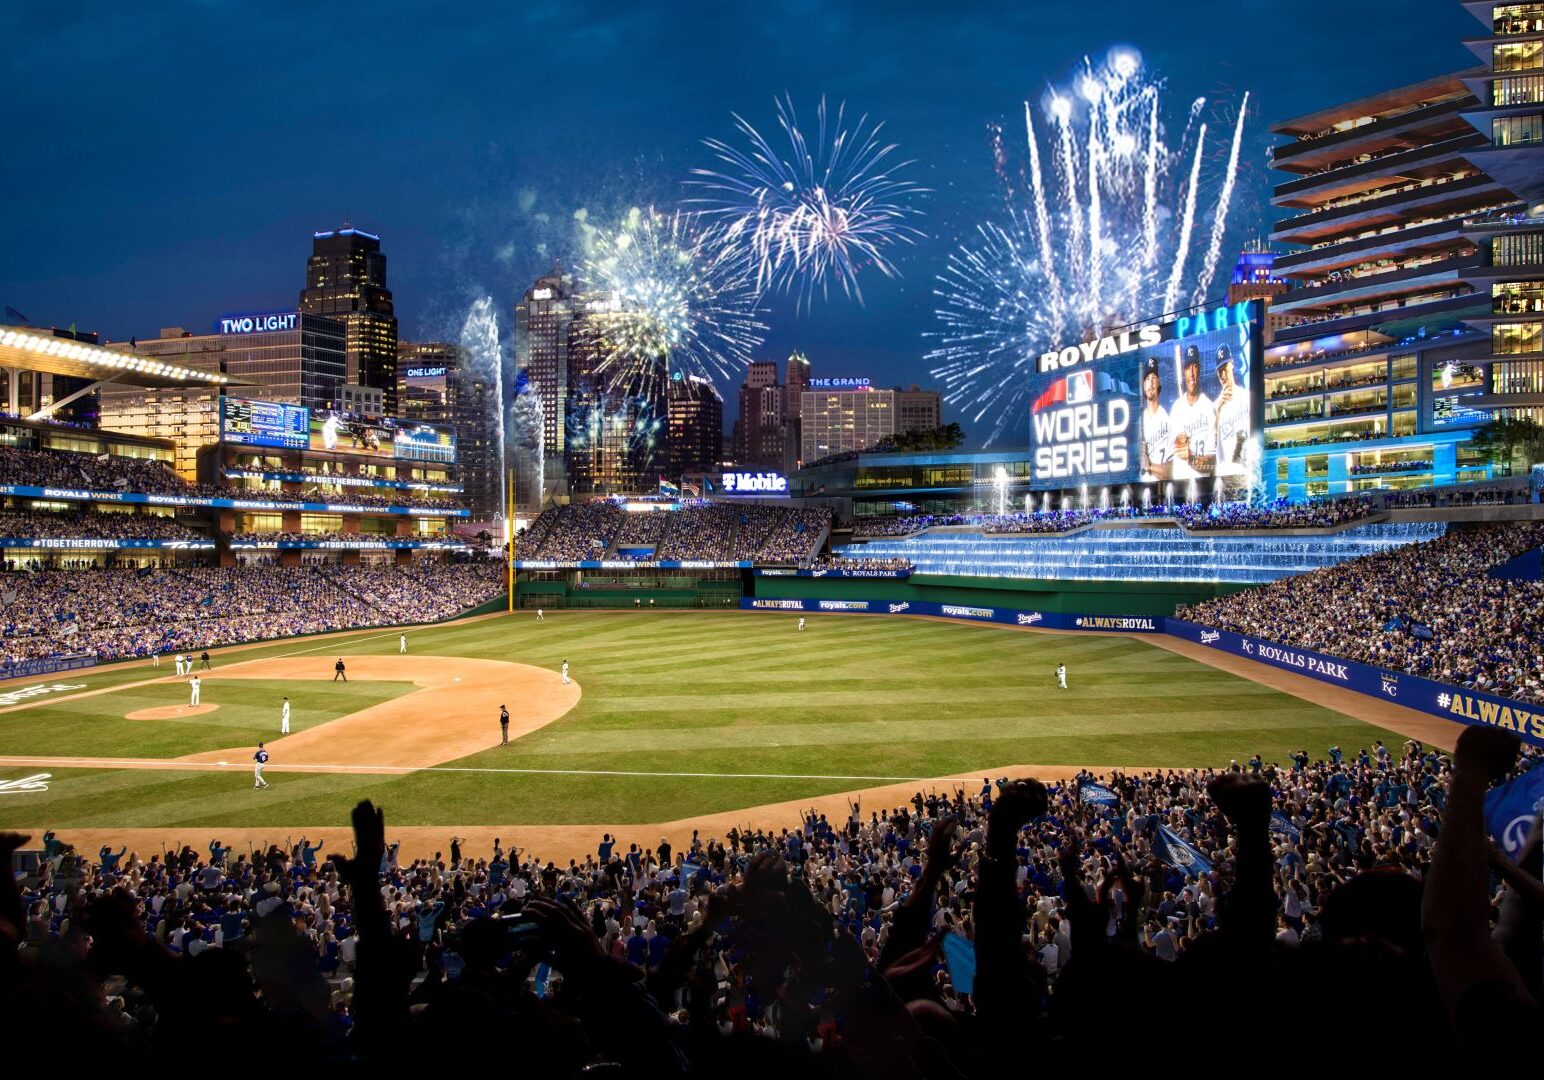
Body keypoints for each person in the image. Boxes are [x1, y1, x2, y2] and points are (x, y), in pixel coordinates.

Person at [1169, 345, 1215, 478]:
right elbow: (1168, 457)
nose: (1192, 373)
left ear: (1199, 369)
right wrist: (1177, 443)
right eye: (1188, 368)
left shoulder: (1209, 408)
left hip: (1202, 483)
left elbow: (1212, 462)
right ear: (1184, 372)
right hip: (1179, 483)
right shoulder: (1176, 409)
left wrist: (1190, 457)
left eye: (1195, 367)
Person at [1139, 357, 1173, 482]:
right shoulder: (1138, 423)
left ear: (1158, 382)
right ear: (1144, 386)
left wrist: (1150, 467)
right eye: (1147, 379)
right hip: (1140, 487)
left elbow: (1174, 469)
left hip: (1164, 486)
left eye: (1154, 378)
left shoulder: (1168, 419)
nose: (1151, 383)